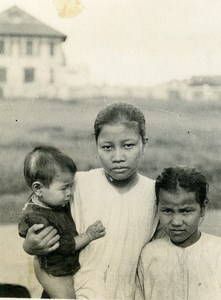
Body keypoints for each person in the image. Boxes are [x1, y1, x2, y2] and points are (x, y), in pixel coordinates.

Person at [22, 102, 159, 299]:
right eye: (107, 147)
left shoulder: (155, 193)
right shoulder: (76, 183)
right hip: (74, 292)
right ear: (96, 146)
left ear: (144, 144)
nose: (118, 156)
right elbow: (37, 205)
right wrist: (29, 244)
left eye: (128, 145)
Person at [19, 145, 105, 299]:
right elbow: (62, 246)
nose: (69, 193)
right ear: (38, 189)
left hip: (62, 267)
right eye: (64, 188)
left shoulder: (48, 200)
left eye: (71, 187)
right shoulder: (38, 218)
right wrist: (89, 235)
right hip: (54, 271)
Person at [136, 166, 221, 300]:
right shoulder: (149, 255)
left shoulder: (217, 252)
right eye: (168, 211)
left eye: (186, 211)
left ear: (203, 208)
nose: (176, 221)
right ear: (157, 206)